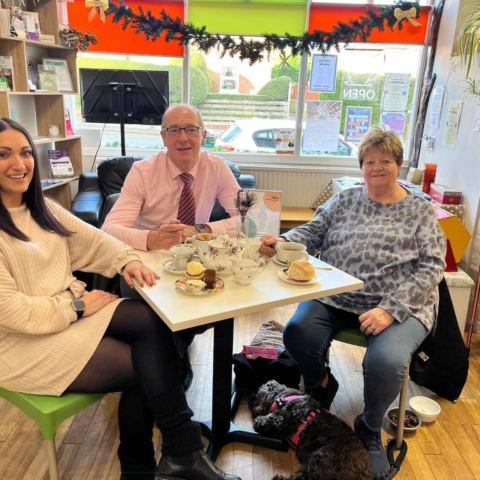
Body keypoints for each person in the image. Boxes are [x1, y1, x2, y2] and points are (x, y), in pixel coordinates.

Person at [0, 118, 240, 480]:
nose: (18, 165)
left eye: (24, 153)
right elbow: (13, 313)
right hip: (22, 344)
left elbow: (96, 240)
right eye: (4, 154)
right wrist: (76, 307)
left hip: (62, 319)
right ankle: (163, 459)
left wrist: (126, 259)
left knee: (149, 320)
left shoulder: (41, 209)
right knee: (151, 368)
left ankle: (172, 456)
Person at [259, 127, 446, 478]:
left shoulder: (419, 211)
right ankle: (320, 386)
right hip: (337, 294)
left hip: (399, 305)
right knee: (297, 332)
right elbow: (313, 231)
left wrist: (392, 308)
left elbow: (433, 266)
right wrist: (282, 240)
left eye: (386, 161)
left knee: (386, 362)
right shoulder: (344, 199)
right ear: (361, 166)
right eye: (370, 161)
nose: (377, 167)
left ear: (399, 165)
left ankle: (370, 427)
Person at [102, 104, 241, 390]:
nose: (183, 138)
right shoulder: (142, 171)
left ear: (203, 135)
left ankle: (173, 355)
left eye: (191, 129)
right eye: (174, 130)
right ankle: (171, 364)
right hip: (147, 263)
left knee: (212, 303)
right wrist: (150, 238)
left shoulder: (217, 168)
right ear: (163, 137)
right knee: (160, 313)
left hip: (194, 261)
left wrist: (202, 229)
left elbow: (248, 218)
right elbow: (109, 229)